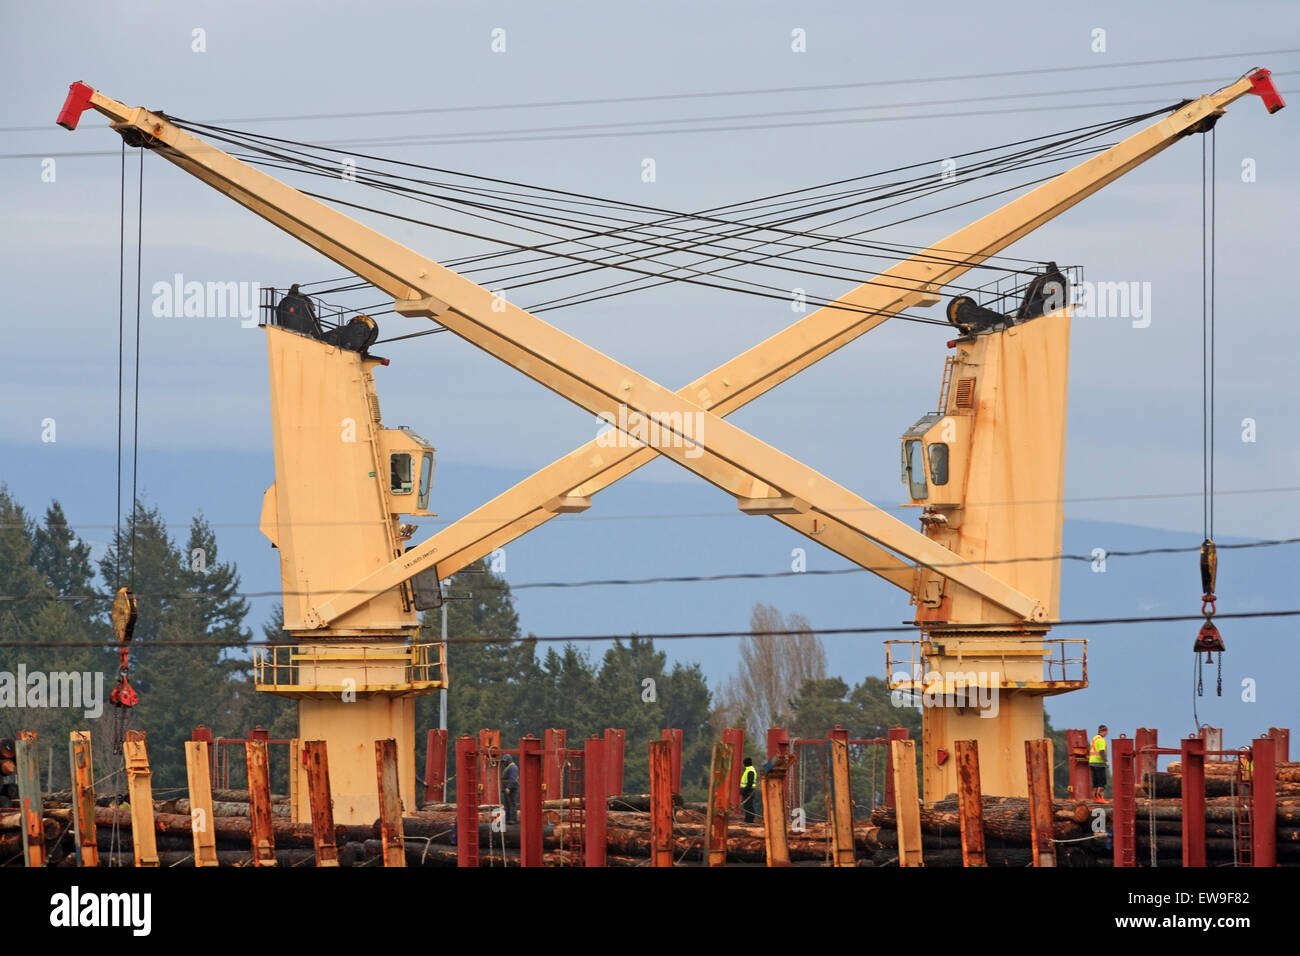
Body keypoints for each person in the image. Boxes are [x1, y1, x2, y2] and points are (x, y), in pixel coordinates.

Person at [1089, 725, 1109, 803]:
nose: (1106, 733)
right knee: (1102, 781)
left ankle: (1095, 798)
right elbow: (1101, 752)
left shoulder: (1094, 738)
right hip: (1099, 763)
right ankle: (1100, 799)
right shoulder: (1101, 740)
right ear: (1104, 731)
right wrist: (1106, 761)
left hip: (1092, 762)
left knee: (1096, 782)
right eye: (1106, 732)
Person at [500, 754, 519, 825]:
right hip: (507, 788)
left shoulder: (513, 767)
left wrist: (509, 787)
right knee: (507, 804)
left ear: (509, 760)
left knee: (512, 804)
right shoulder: (509, 767)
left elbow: (513, 779)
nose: (504, 763)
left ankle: (513, 819)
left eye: (505, 761)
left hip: (511, 788)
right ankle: (507, 819)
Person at [740, 757, 758, 823]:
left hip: (749, 791)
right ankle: (747, 819)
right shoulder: (748, 770)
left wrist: (744, 790)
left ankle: (750, 820)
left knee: (749, 806)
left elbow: (750, 783)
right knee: (746, 806)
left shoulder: (750, 771)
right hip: (747, 791)